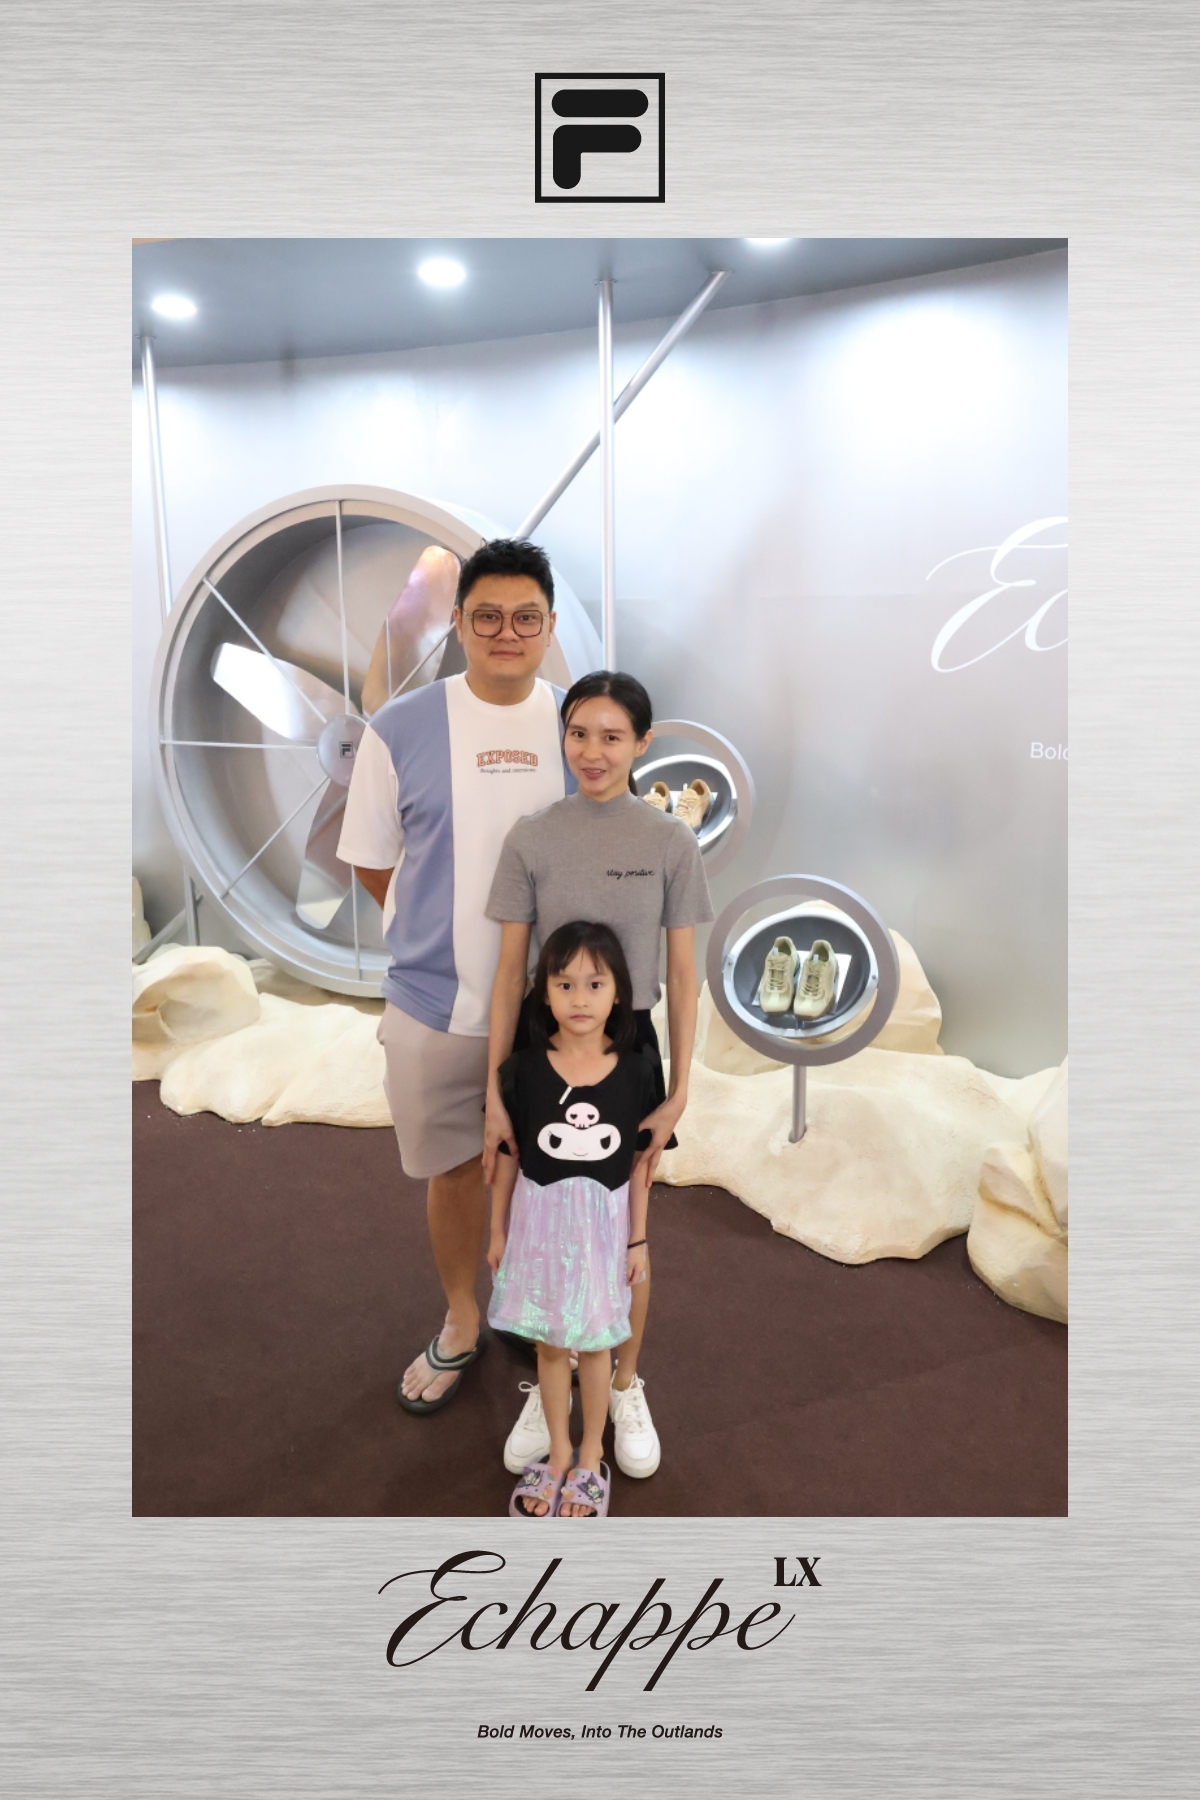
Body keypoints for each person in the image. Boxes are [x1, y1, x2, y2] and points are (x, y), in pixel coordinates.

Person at [336, 537, 575, 1414]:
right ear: (461, 623)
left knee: (555, 1172)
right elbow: (373, 861)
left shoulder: (580, 726)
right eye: (488, 616)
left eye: (526, 617)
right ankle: (463, 1316)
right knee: (452, 1170)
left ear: (550, 626)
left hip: (559, 1014)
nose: (507, 632)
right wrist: (432, 926)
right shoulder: (398, 730)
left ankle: (534, 1304)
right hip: (435, 1003)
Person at [484, 670, 714, 1481]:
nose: (593, 751)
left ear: (642, 743)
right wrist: (494, 1094)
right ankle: (551, 1369)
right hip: (545, 1045)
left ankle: (621, 1382)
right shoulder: (532, 837)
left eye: (612, 736)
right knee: (545, 1218)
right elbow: (510, 974)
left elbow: (680, 978)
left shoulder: (671, 843)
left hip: (632, 1049)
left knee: (623, 1229)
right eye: (579, 733)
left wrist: (680, 1090)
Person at [488, 921, 655, 1518]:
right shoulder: (524, 1069)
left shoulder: (636, 1072)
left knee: (598, 1344)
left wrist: (637, 1239)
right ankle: (558, 1451)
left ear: (619, 993)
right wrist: (498, 1231)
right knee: (551, 1343)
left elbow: (640, 1166)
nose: (579, 998)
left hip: (603, 1232)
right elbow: (508, 1155)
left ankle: (590, 1454)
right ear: (544, 993)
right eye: (564, 984)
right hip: (540, 1228)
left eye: (594, 984)